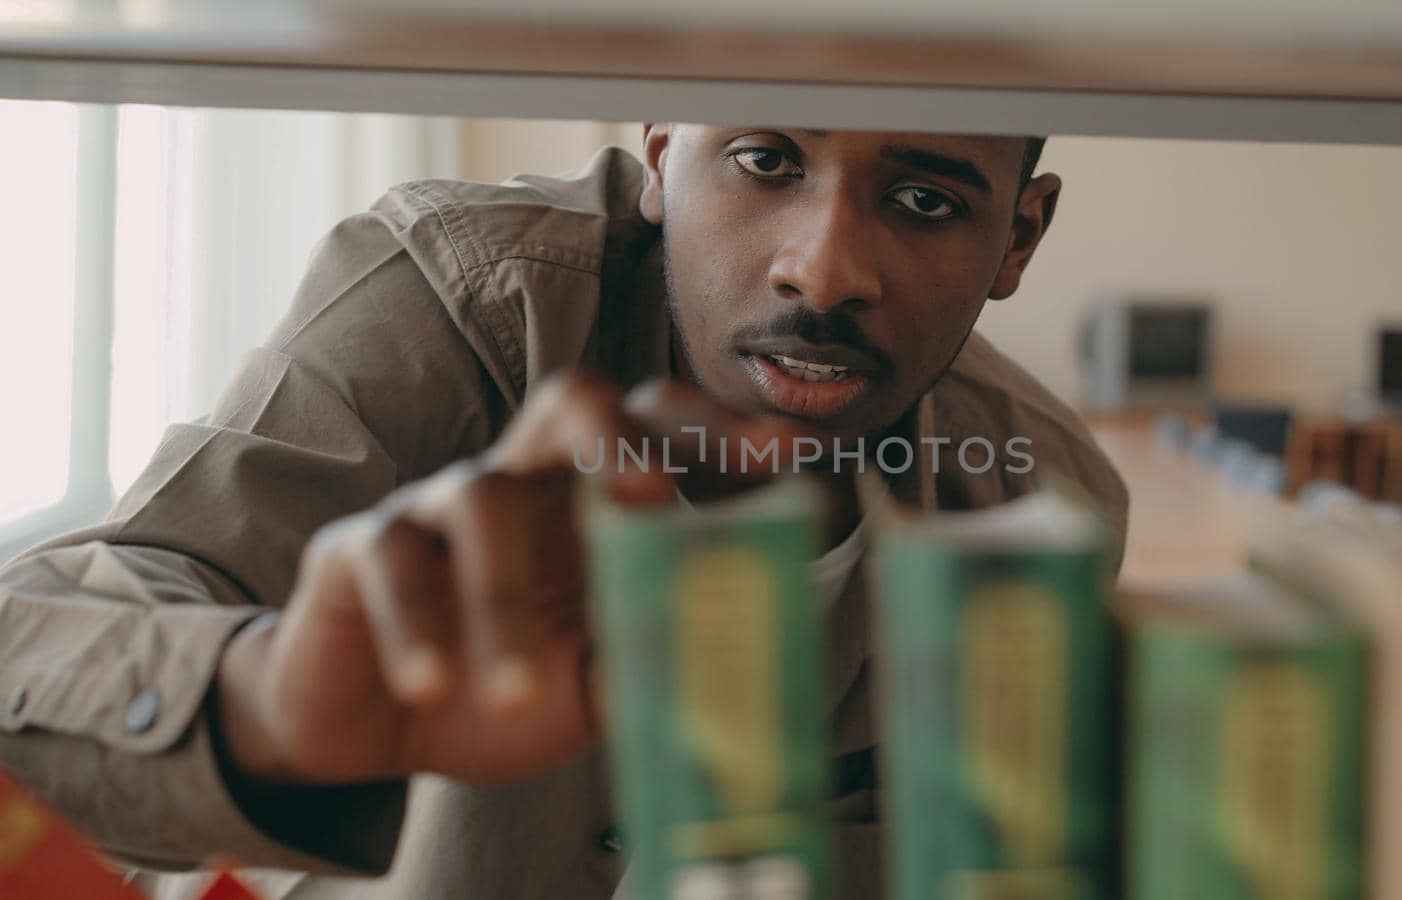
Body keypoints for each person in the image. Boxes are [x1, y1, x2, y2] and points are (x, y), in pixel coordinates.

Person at [0, 124, 1127, 899]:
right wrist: (268, 699)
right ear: (658, 152)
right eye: (764, 159)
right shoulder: (455, 302)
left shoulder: (1035, 499)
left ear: (1018, 237)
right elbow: (39, 637)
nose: (823, 273)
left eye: (924, 201)